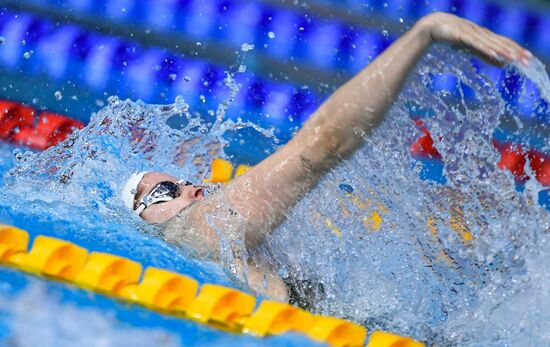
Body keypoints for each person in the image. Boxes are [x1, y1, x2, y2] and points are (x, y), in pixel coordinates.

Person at [121, 12, 532, 302]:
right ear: (140, 214)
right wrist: (425, 33)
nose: (191, 187)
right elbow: (322, 146)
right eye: (166, 189)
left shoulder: (208, 243)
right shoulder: (198, 229)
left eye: (183, 179)